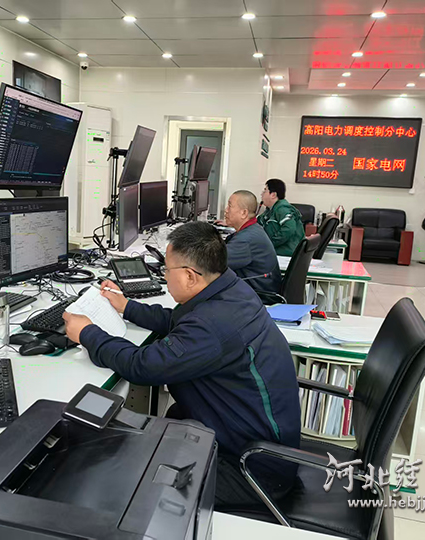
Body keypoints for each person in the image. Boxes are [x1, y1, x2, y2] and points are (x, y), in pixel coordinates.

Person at [62, 222, 301, 509]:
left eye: (166, 270)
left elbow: (143, 366)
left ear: (189, 276)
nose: (164, 275)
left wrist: (87, 333)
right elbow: (180, 324)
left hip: (249, 470)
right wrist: (126, 306)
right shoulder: (230, 290)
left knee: (121, 478)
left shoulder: (212, 324)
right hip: (244, 438)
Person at [223, 190, 282, 296]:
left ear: (244, 213)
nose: (226, 210)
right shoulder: (253, 229)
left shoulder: (246, 240)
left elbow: (213, 264)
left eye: (230, 206)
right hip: (256, 290)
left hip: (258, 296)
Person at [257, 178, 305, 256]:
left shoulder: (282, 209)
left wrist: (271, 243)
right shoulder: (270, 210)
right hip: (278, 250)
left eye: (265, 190)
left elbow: (289, 229)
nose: (261, 194)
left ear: (273, 195)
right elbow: (259, 222)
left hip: (287, 252)